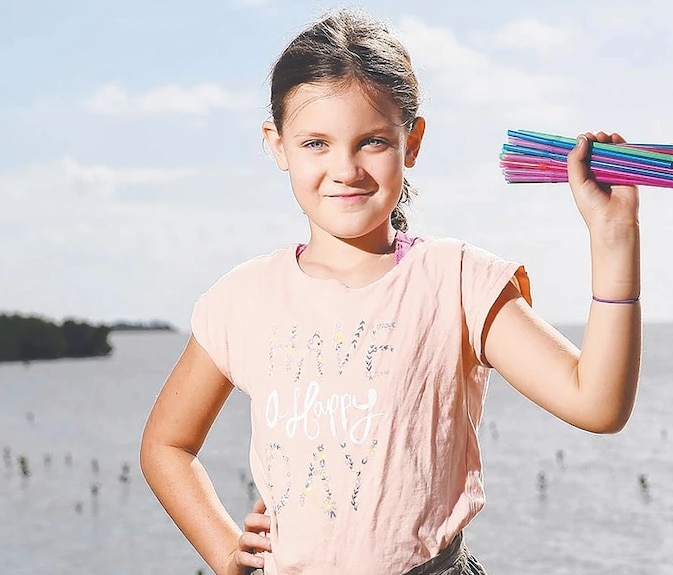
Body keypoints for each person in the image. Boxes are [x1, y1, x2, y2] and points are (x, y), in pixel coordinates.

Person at [139, 7, 641, 575]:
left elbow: (596, 404)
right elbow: (166, 446)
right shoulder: (243, 299)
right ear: (276, 144)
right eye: (315, 143)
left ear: (413, 141)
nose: (345, 168)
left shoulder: (456, 281)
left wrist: (614, 236)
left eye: (372, 141)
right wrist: (225, 549)